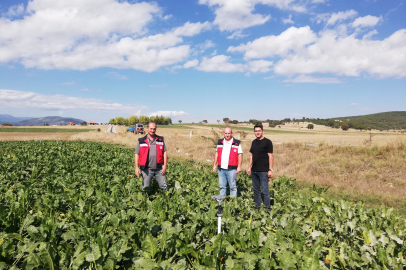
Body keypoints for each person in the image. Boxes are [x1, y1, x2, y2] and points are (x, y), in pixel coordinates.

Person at [134, 122, 168, 193]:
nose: (152, 130)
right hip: (147, 169)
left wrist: (165, 165)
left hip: (159, 168)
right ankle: (145, 202)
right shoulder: (142, 141)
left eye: (154, 129)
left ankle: (167, 201)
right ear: (147, 128)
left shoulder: (160, 140)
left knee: (164, 186)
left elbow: (164, 152)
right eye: (151, 128)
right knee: (146, 188)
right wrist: (136, 167)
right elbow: (137, 154)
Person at [247, 124, 274, 210]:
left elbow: (270, 156)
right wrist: (249, 167)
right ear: (254, 132)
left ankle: (267, 208)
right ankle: (257, 207)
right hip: (254, 170)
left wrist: (270, 169)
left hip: (263, 171)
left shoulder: (267, 142)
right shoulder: (254, 142)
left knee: (265, 191)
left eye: (259, 131)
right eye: (256, 131)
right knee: (256, 190)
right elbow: (251, 155)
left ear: (262, 131)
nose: (257, 132)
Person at [212, 127, 243, 197]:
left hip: (232, 169)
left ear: (231, 133)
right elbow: (216, 153)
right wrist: (214, 165)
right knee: (222, 187)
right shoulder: (220, 142)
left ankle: (232, 204)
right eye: (226, 133)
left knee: (233, 187)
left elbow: (240, 155)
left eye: (229, 133)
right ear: (223, 133)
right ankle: (222, 203)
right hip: (221, 169)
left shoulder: (236, 143)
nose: (227, 135)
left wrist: (239, 167)